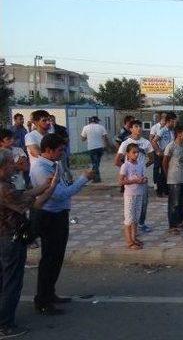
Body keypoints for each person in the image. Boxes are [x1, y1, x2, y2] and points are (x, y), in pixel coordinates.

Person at [30, 134, 95, 315]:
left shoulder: (54, 164)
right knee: (49, 259)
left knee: (56, 257)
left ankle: (50, 293)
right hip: (49, 216)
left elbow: (64, 187)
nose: (63, 152)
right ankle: (42, 300)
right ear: (49, 150)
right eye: (60, 149)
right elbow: (61, 194)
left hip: (59, 215)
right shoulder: (41, 168)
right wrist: (84, 179)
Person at [0, 148, 58, 337]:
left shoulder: (6, 184)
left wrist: (44, 187)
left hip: (8, 236)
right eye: (10, 163)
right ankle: (5, 324)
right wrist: (46, 189)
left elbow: (27, 196)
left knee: (6, 279)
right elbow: (26, 201)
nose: (14, 166)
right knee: (12, 281)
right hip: (9, 237)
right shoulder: (3, 188)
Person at [115, 120, 154, 233]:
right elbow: (117, 161)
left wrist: (142, 168)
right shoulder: (126, 143)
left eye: (140, 126)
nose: (139, 129)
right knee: (130, 205)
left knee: (143, 202)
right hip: (130, 182)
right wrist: (126, 170)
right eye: (136, 127)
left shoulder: (146, 143)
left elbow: (152, 159)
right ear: (131, 129)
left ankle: (141, 223)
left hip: (142, 180)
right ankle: (130, 227)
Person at [163, 125, 183, 234]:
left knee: (182, 202)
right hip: (174, 179)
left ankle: (179, 222)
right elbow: (165, 162)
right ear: (179, 134)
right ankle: (172, 226)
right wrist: (167, 175)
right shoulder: (171, 146)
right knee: (174, 203)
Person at [118, 144, 146, 250]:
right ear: (128, 154)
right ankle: (129, 241)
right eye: (134, 152)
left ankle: (134, 238)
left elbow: (143, 177)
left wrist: (143, 180)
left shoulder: (140, 164)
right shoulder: (125, 166)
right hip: (130, 195)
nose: (136, 154)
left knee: (135, 218)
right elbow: (120, 181)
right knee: (129, 218)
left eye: (137, 152)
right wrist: (134, 180)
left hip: (139, 193)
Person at [151, 112, 177, 197]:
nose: (175, 123)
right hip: (163, 155)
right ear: (169, 121)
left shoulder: (172, 131)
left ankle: (166, 190)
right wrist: (158, 151)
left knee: (167, 173)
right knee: (162, 173)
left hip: (170, 155)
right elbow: (154, 141)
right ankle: (159, 190)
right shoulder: (162, 130)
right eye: (174, 121)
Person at [80, 116, 110, 183]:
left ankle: (96, 178)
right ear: (96, 121)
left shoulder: (86, 127)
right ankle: (95, 178)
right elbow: (105, 138)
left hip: (91, 148)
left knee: (94, 164)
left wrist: (88, 136)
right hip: (100, 147)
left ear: (90, 121)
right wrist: (107, 147)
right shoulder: (101, 127)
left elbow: (83, 139)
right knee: (97, 163)